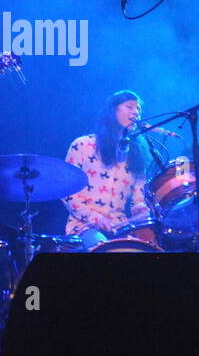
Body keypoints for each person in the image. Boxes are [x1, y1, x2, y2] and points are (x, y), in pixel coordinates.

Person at [63, 90, 159, 248]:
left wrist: (141, 211)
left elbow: (138, 199)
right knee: (105, 248)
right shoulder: (83, 145)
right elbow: (67, 191)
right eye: (129, 107)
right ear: (112, 111)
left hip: (120, 229)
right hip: (84, 227)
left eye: (138, 109)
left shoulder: (137, 155)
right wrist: (96, 218)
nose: (136, 112)